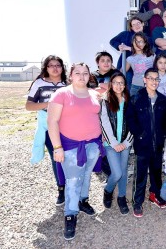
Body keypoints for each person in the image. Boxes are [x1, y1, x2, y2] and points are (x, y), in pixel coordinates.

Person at [48, 62, 104, 240]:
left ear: (90, 76)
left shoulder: (94, 94)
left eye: (85, 73)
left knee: (87, 174)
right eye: (77, 73)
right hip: (71, 146)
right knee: (73, 180)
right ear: (71, 75)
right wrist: (57, 147)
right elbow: (52, 122)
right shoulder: (61, 94)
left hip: (93, 144)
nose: (81, 76)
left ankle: (83, 200)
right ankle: (70, 214)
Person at [127, 68, 166, 218]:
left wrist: (162, 133)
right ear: (144, 80)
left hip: (157, 144)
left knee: (156, 172)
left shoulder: (163, 100)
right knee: (140, 174)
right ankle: (137, 202)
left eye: (156, 79)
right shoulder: (135, 98)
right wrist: (140, 134)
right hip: (142, 144)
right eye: (151, 78)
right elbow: (131, 120)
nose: (154, 81)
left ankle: (155, 195)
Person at [26, 55, 67, 206]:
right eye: (51, 65)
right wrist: (48, 104)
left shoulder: (67, 83)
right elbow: (28, 106)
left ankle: (73, 188)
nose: (55, 68)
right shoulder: (39, 83)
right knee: (56, 156)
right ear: (46, 68)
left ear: (62, 68)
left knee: (70, 157)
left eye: (58, 65)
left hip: (68, 126)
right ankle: (61, 189)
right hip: (49, 126)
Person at [100, 72, 132, 215]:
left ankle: (121, 197)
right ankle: (108, 190)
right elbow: (104, 123)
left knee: (123, 171)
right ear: (111, 85)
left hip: (126, 142)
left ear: (125, 85)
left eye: (121, 83)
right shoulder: (105, 101)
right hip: (111, 144)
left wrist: (126, 142)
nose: (119, 85)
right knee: (117, 173)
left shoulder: (129, 101)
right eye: (116, 82)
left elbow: (133, 123)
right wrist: (113, 143)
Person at [109, 16, 147, 90]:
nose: (137, 26)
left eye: (138, 23)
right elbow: (112, 41)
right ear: (131, 27)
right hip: (127, 66)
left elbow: (147, 50)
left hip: (141, 66)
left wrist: (129, 48)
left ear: (142, 24)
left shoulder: (147, 37)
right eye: (134, 24)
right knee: (127, 84)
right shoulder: (126, 34)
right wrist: (118, 46)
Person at [125, 31, 155, 96]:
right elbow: (122, 71)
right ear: (132, 43)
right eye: (136, 41)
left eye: (141, 41)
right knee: (133, 105)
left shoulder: (152, 56)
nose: (138, 44)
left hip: (149, 86)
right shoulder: (130, 58)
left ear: (145, 43)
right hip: (135, 87)